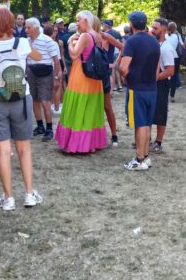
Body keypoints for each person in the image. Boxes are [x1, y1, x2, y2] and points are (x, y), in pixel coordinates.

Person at [0, 6, 43, 211]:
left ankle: (8, 198)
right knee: (24, 148)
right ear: (11, 23)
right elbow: (38, 57)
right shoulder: (22, 43)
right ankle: (29, 194)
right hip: (21, 99)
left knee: (3, 152)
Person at [55, 11, 107, 153]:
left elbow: (73, 55)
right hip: (94, 78)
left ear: (85, 20)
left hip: (81, 75)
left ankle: (77, 145)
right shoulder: (97, 35)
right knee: (90, 110)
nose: (77, 23)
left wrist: (70, 42)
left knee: (77, 106)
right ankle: (90, 144)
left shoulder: (85, 36)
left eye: (78, 20)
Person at [119, 11, 160, 171]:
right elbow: (157, 68)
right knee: (147, 124)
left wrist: (128, 77)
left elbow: (123, 67)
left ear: (131, 24)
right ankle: (146, 157)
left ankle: (139, 159)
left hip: (137, 88)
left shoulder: (132, 41)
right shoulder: (154, 41)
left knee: (140, 124)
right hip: (152, 88)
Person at [25, 17, 60, 141]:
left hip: (45, 72)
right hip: (31, 72)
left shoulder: (47, 41)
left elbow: (56, 61)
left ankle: (49, 129)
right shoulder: (26, 41)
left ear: (36, 28)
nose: (26, 30)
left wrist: (56, 77)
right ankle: (40, 126)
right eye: (25, 27)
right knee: (34, 100)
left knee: (45, 101)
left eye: (28, 28)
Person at [149, 18, 176, 153]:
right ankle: (146, 139)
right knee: (148, 111)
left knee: (160, 113)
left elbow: (170, 71)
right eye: (152, 27)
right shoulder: (152, 44)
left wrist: (154, 78)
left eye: (155, 28)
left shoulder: (166, 48)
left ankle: (158, 142)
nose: (152, 30)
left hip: (161, 84)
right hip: (151, 83)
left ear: (164, 30)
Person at [96, 17, 123, 147]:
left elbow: (123, 48)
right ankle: (95, 136)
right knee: (94, 107)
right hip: (90, 76)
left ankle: (114, 135)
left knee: (107, 106)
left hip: (104, 75)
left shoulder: (105, 36)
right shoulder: (85, 37)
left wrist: (115, 63)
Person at [45, 25, 66, 115]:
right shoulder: (52, 43)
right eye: (54, 31)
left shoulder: (58, 43)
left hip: (51, 67)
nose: (55, 32)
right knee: (55, 87)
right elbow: (57, 59)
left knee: (56, 87)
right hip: (51, 67)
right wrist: (59, 70)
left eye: (56, 31)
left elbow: (60, 57)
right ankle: (55, 107)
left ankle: (55, 106)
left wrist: (62, 69)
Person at [166, 21, 183, 102]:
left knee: (165, 76)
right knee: (174, 76)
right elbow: (181, 45)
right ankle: (172, 96)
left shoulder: (164, 35)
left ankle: (165, 94)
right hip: (175, 57)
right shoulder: (177, 36)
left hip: (166, 57)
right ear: (175, 28)